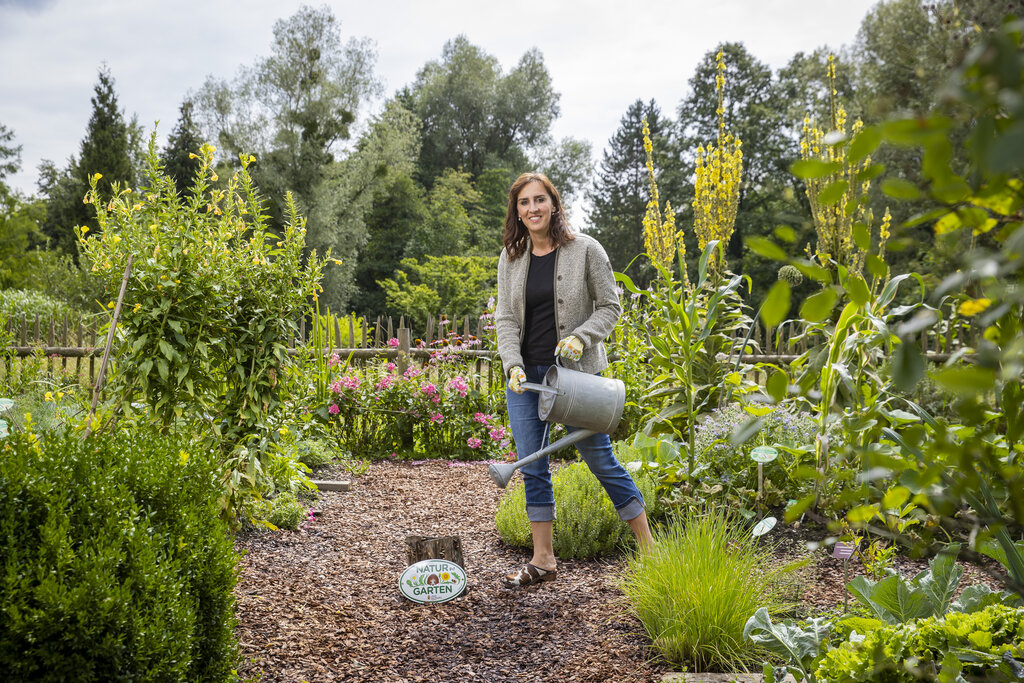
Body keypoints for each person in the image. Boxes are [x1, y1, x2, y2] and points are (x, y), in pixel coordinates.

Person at [494, 171, 655, 588]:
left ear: (554, 204)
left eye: (539, 200)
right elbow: (506, 318)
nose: (533, 209)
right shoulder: (511, 258)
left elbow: (610, 306)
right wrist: (511, 363)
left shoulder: (585, 249)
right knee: (533, 464)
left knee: (600, 458)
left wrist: (580, 339)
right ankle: (543, 559)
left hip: (577, 379)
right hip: (526, 380)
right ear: (517, 210)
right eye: (524, 202)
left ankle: (653, 554)